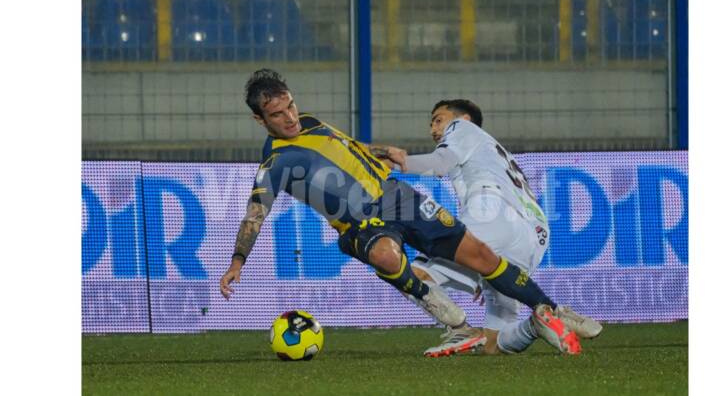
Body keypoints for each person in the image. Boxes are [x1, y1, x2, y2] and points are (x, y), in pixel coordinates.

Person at [219, 69, 581, 355]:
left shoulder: (311, 123)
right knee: (386, 255)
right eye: (278, 114)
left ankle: (554, 311)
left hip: (397, 197)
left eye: (291, 106)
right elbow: (255, 214)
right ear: (260, 120)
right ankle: (457, 326)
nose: (290, 117)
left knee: (480, 254)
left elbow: (350, 148)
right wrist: (237, 261)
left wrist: (386, 153)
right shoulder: (275, 163)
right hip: (360, 224)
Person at [379, 99, 603, 357]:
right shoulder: (492, 151)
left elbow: (440, 163)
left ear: (462, 119)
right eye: (431, 123)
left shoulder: (463, 130)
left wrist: (396, 163)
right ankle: (538, 323)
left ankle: (460, 329)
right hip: (533, 236)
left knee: (410, 273)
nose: (433, 128)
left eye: (438, 119)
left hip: (491, 213)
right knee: (493, 344)